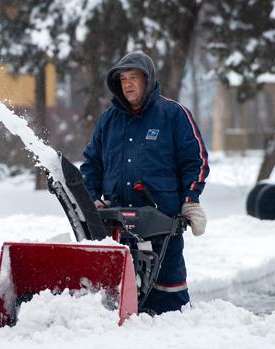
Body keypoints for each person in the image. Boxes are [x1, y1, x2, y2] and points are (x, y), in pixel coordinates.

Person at [80, 51, 209, 315]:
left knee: (168, 295)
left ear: (147, 80)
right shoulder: (109, 120)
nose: (127, 84)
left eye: (134, 77)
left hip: (162, 221)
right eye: (123, 79)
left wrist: (190, 200)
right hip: (117, 223)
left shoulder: (173, 115)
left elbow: (195, 160)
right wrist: (92, 197)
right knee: (120, 292)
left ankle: (174, 332)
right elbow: (92, 163)